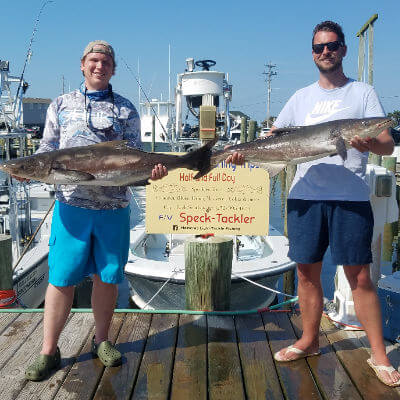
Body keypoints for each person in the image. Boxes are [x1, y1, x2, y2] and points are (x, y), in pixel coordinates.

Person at [229, 21, 400, 387]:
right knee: (306, 273)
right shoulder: (301, 98)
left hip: (350, 198)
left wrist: (368, 143)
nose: (326, 51)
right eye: (320, 47)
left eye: (333, 45)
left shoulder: (363, 93)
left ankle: (379, 354)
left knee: (360, 277)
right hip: (305, 196)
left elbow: (385, 142)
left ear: (343, 50)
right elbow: (275, 139)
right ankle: (308, 340)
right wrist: (244, 155)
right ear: (313, 53)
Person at [24, 40, 168, 381]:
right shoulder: (59, 104)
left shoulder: (127, 109)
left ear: (113, 68)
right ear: (82, 64)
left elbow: (134, 155)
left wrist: (153, 174)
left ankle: (102, 340)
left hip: (113, 208)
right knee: (60, 278)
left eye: (105, 61)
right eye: (93, 60)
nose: (99, 66)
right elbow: (47, 147)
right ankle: (49, 349)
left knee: (107, 278)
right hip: (71, 207)